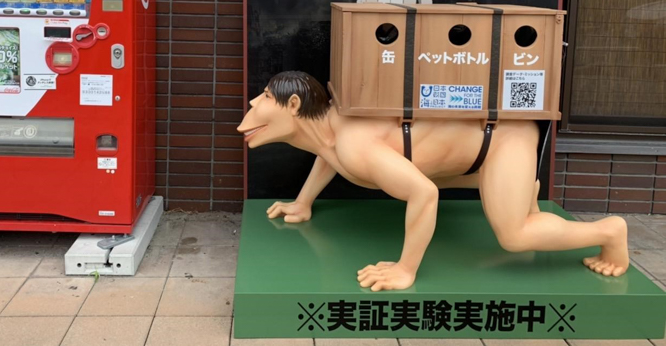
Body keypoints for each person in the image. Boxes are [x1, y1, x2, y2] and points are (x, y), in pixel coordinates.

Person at [237, 70, 629, 292]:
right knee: (488, 190)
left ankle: (610, 232)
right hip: (474, 148)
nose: (255, 103)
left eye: (266, 96)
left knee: (515, 236)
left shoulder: (355, 144)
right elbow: (328, 156)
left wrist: (405, 268)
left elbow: (425, 193)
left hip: (502, 140)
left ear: (293, 106)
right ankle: (520, 190)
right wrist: (303, 202)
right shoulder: (333, 130)